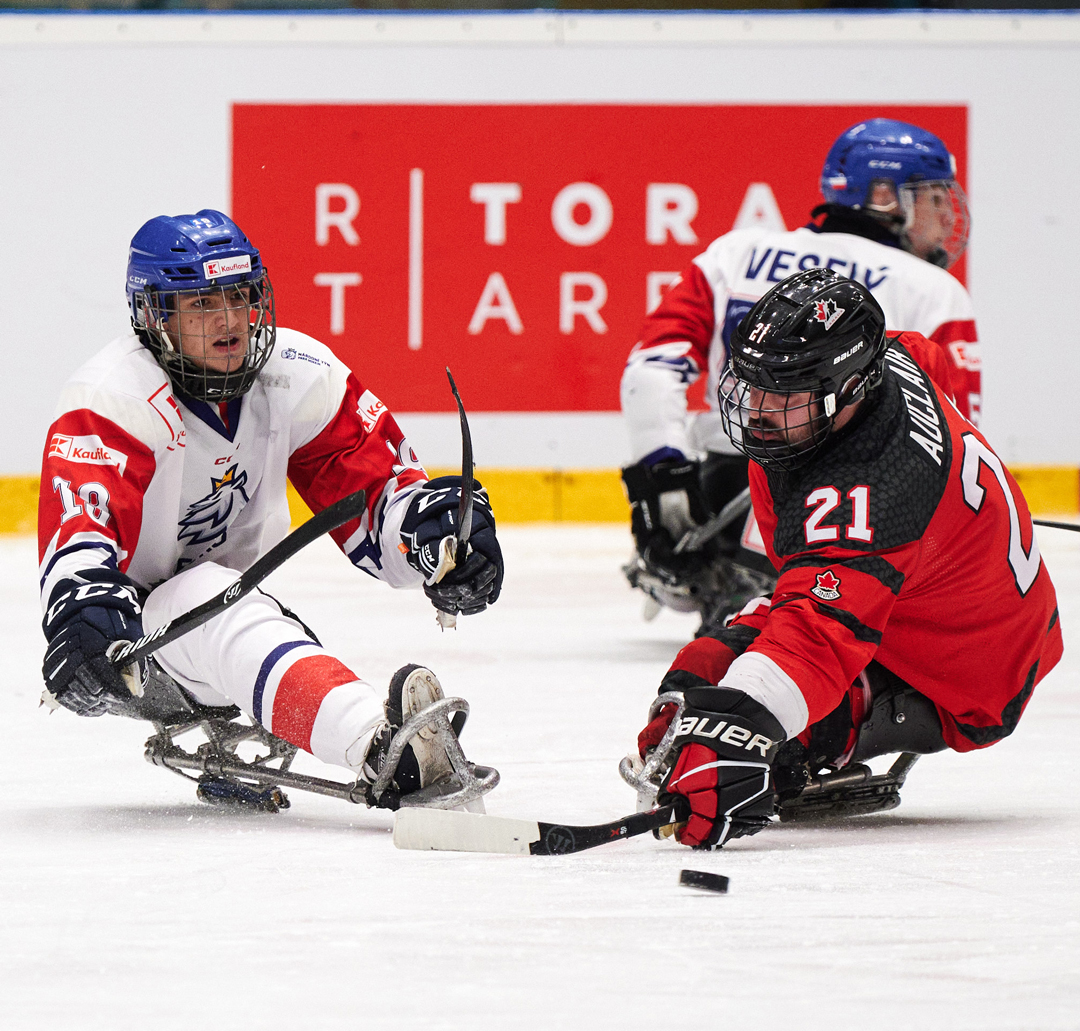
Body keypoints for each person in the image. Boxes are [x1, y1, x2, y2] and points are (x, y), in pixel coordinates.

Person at [38, 209, 504, 809]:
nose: (230, 320)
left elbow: (377, 491)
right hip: (128, 651)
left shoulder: (295, 374)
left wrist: (434, 538)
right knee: (204, 594)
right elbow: (80, 537)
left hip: (236, 604)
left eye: (239, 296)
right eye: (202, 304)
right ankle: (381, 747)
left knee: (221, 600)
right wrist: (84, 619)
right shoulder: (111, 397)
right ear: (155, 316)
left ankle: (364, 732)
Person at [625, 268, 1060, 849]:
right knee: (700, 670)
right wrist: (951, 516)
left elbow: (818, 636)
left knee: (746, 727)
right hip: (928, 598)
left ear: (848, 390)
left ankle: (842, 727)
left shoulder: (864, 496)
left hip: (971, 667)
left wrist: (738, 732)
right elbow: (939, 366)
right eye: (755, 384)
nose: (757, 410)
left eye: (785, 393)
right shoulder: (892, 357)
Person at [620, 118, 980, 634]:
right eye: (933, 198)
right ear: (883, 196)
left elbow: (651, 370)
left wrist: (664, 487)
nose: (946, 218)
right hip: (846, 507)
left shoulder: (734, 253)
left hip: (720, 488)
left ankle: (713, 562)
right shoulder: (932, 289)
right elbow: (955, 444)